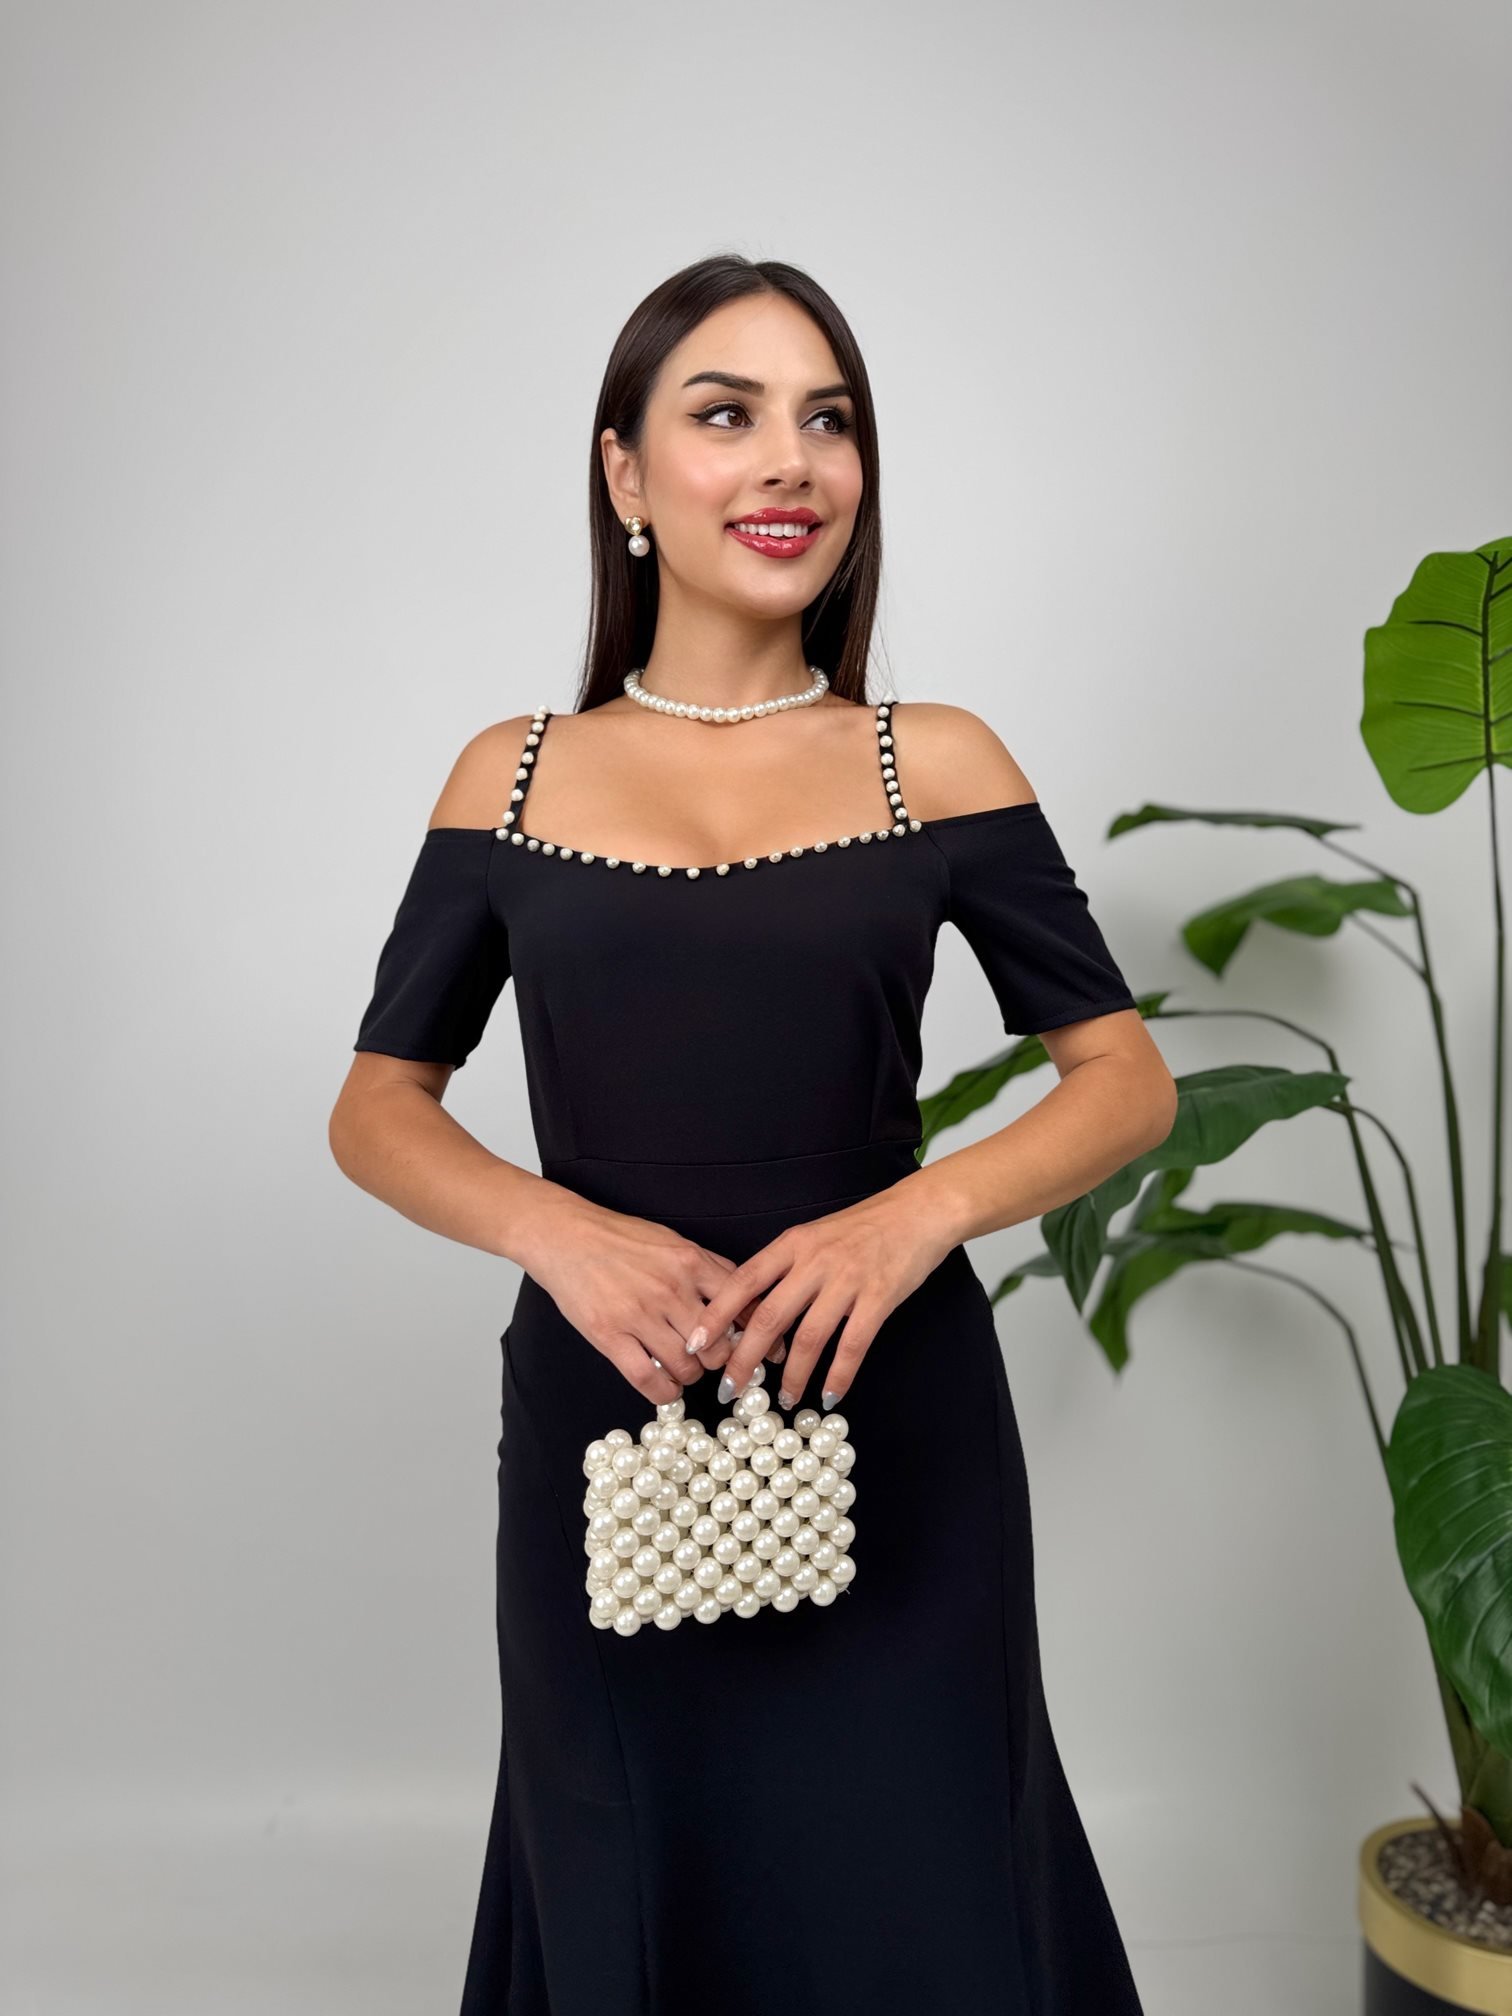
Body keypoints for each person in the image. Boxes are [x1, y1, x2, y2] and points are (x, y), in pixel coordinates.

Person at [328, 252, 1175, 2016]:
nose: (792, 460)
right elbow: (378, 1105)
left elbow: (1123, 1077)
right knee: (628, 1871)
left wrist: (912, 1216)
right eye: (727, 415)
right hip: (610, 1423)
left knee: (925, 1877)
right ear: (626, 475)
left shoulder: (931, 760)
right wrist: (554, 1232)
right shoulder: (514, 774)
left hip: (895, 1417)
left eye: (829, 420)